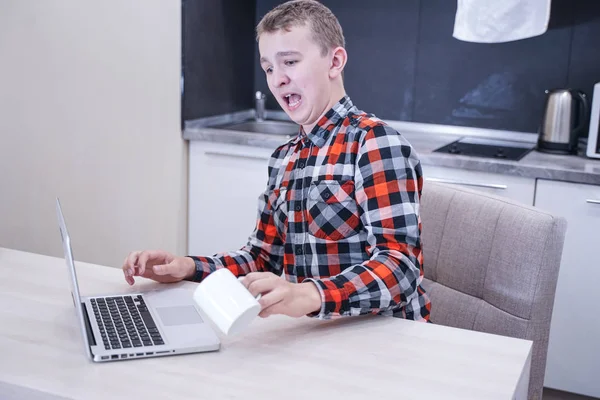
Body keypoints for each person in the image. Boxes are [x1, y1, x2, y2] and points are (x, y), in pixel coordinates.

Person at [122, 0, 431, 322]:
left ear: (335, 61)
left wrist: (309, 294)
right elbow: (261, 258)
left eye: (291, 62)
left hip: (386, 335)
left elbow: (402, 267)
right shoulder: (285, 157)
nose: (277, 79)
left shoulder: (375, 144)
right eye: (269, 67)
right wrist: (186, 267)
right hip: (319, 332)